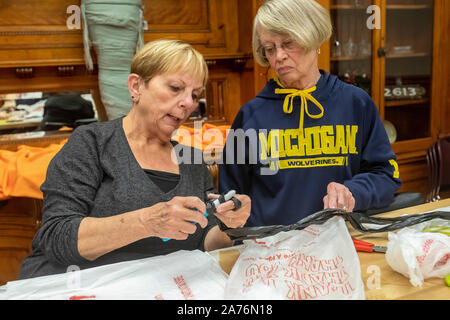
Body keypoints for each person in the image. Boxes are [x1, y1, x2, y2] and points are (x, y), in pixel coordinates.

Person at [19, 39, 250, 279]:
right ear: (136, 86)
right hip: (78, 286)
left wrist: (228, 226)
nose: (188, 103)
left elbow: (204, 241)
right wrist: (147, 221)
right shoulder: (91, 144)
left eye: (195, 94)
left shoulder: (191, 159)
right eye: (175, 88)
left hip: (158, 288)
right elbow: (57, 237)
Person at [219, 0, 401, 227]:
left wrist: (352, 192)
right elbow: (230, 195)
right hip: (272, 251)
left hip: (340, 241)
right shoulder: (250, 116)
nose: (279, 56)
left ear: (314, 40)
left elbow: (386, 175)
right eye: (270, 48)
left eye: (288, 43)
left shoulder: (356, 103)